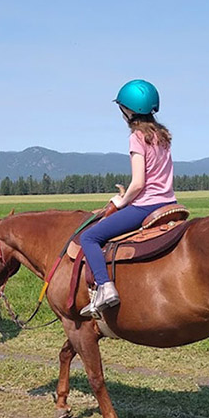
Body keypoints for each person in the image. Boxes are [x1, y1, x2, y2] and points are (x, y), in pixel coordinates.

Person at [79, 79, 177, 317]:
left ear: (128, 110)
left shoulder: (137, 137)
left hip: (147, 205)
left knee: (89, 237)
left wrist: (120, 201)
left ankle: (105, 287)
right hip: (170, 203)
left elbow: (139, 183)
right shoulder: (162, 135)